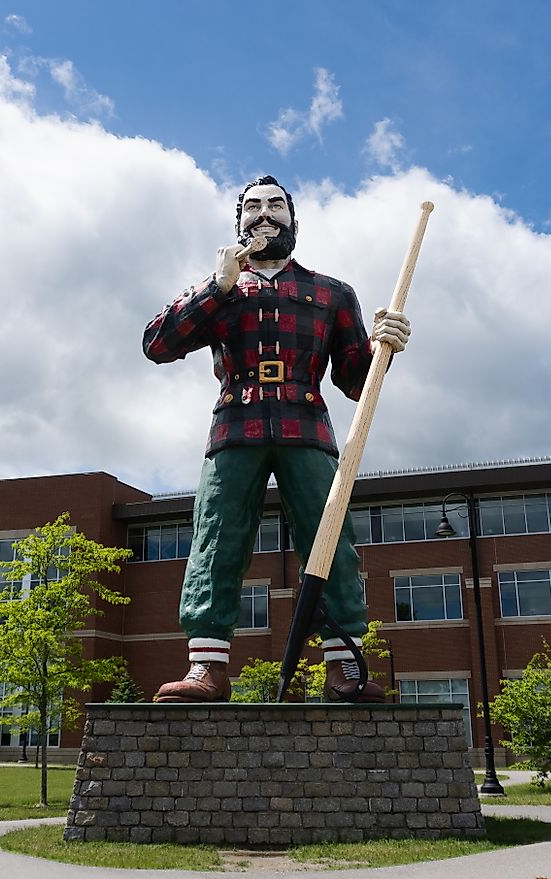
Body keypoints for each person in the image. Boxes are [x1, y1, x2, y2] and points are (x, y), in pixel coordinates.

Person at [142, 175, 411, 703]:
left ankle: (345, 668)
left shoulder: (332, 292)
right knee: (216, 539)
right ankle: (207, 668)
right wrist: (213, 289)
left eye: (276, 206)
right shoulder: (218, 290)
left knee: (330, 537)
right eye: (253, 207)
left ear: (293, 220)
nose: (265, 215)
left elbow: (356, 383)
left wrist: (385, 347)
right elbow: (157, 344)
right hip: (233, 428)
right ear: (238, 222)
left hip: (306, 426)